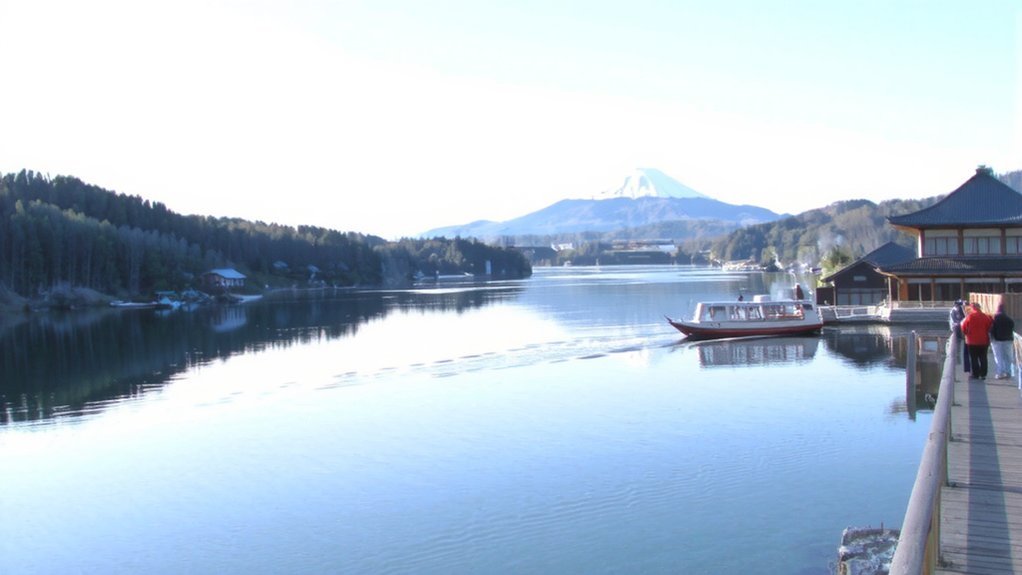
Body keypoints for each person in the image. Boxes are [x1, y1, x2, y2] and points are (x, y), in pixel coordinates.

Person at [961, 301, 993, 380]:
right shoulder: (985, 316)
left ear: (972, 308)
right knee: (983, 357)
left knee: (973, 358)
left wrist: (966, 334)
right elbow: (990, 326)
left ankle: (976, 374)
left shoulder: (970, 316)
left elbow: (963, 327)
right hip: (984, 341)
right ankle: (983, 374)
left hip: (972, 341)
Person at [991, 304, 1016, 380]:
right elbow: (1012, 327)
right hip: (1008, 340)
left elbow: (992, 329)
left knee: (999, 357)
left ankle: (1000, 373)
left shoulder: (995, 319)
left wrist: (992, 338)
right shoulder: (1009, 319)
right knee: (1008, 357)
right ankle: (1008, 372)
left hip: (998, 340)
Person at [949, 300, 970, 373]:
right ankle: (957, 359)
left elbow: (965, 318)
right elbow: (953, 321)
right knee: (957, 345)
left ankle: (959, 360)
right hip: (957, 329)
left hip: (962, 330)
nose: (957, 307)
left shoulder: (962, 310)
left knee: (962, 346)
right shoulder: (953, 311)